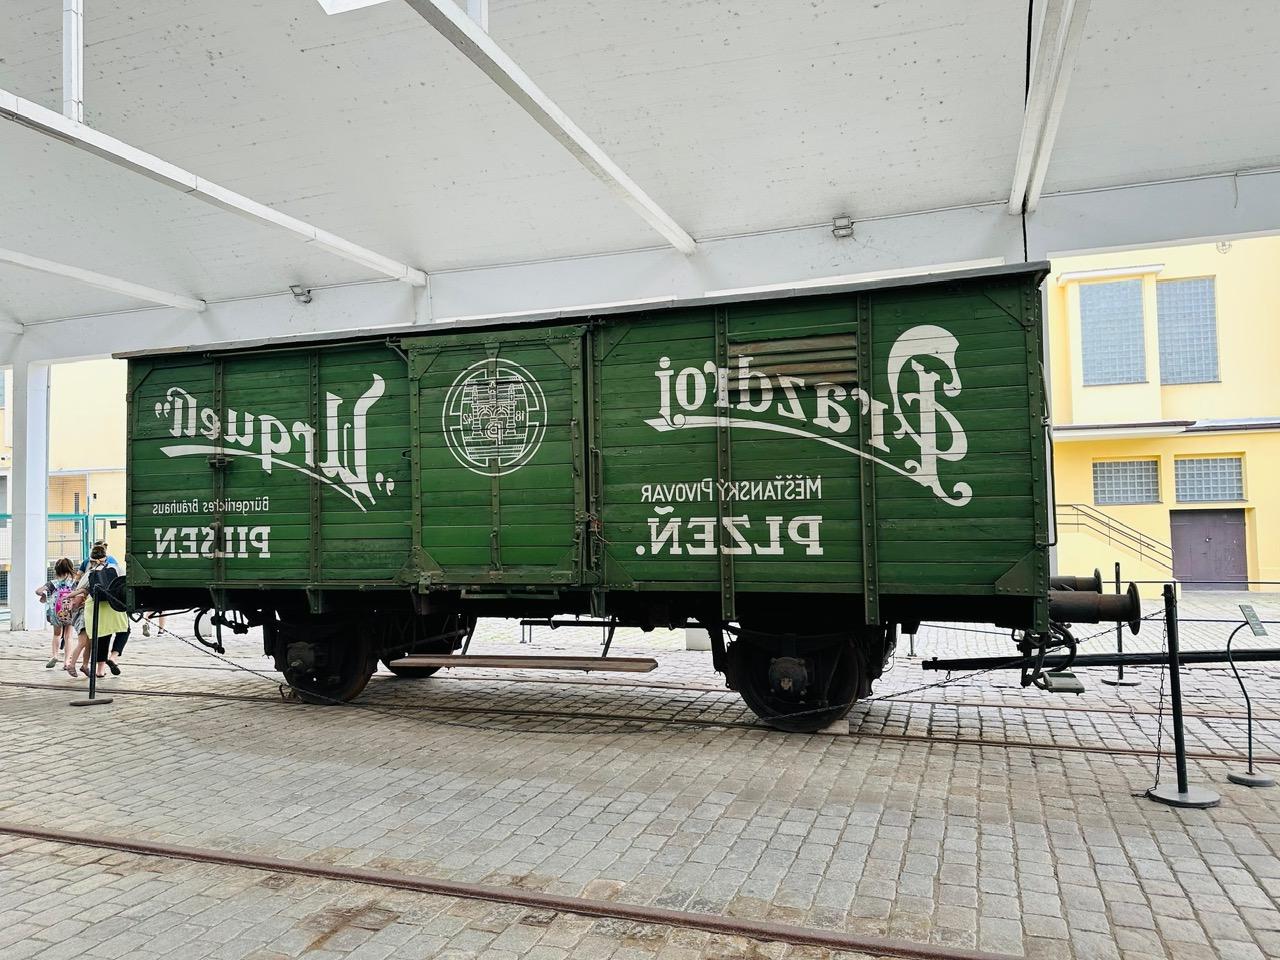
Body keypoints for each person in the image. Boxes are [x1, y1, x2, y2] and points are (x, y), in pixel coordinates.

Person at [64, 545, 128, 679]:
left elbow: (80, 590)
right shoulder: (117, 568)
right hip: (114, 605)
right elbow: (124, 584)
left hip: (95, 607)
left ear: (91, 560)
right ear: (107, 557)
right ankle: (113, 656)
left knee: (101, 636)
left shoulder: (90, 573)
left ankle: (100, 670)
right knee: (124, 630)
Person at [35, 558, 77, 669]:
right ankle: (67, 662)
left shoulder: (52, 583)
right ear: (70, 568)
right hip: (69, 611)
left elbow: (38, 591)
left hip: (56, 612)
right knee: (68, 636)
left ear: (56, 570)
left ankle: (54, 655)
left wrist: (43, 596)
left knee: (57, 634)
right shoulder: (73, 582)